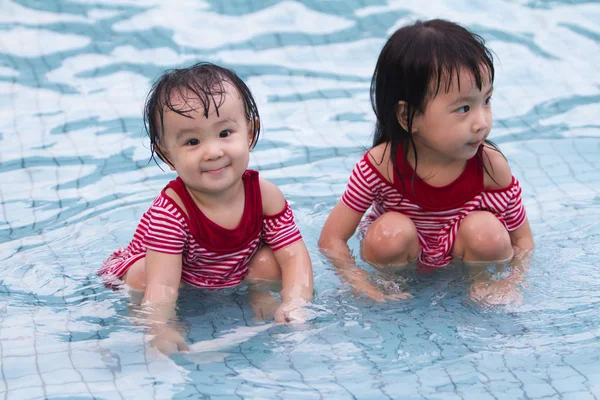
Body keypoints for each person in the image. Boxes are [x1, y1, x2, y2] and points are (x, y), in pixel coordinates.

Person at [100, 62, 313, 353]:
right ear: (166, 154)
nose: (213, 152)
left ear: (250, 132)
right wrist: (160, 326)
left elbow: (295, 257)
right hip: (173, 276)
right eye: (192, 141)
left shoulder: (265, 196)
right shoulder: (172, 214)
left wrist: (295, 302)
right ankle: (141, 318)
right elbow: (162, 287)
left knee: (270, 262)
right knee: (143, 276)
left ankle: (259, 297)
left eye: (225, 133)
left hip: (229, 272)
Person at [319, 19, 534, 303]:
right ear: (409, 117)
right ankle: (390, 286)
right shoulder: (382, 166)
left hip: (465, 262)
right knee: (389, 233)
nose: (482, 122)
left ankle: (482, 287)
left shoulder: (490, 168)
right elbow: (331, 240)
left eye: (487, 101)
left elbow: (523, 241)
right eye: (464, 108)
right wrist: (362, 286)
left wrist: (512, 282)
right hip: (401, 262)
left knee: (488, 231)